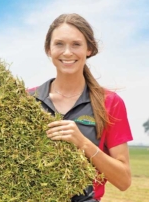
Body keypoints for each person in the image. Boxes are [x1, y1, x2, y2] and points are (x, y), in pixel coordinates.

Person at [27, 13, 133, 201]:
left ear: (89, 49)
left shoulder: (109, 102)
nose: (67, 52)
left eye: (76, 44)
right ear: (49, 50)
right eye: (59, 44)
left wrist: (82, 143)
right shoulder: (27, 100)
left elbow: (123, 181)